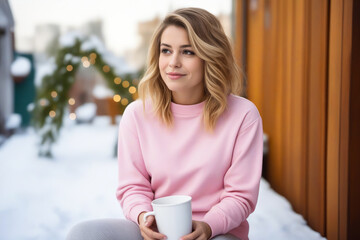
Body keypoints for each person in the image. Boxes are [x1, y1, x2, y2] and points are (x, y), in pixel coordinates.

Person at [66, 7, 263, 240]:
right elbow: (133, 187)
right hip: (155, 232)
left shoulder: (243, 115)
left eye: (188, 52)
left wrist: (208, 226)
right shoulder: (137, 115)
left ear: (210, 56)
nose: (173, 62)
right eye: (166, 51)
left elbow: (240, 196)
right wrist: (143, 217)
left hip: (217, 234)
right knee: (82, 235)